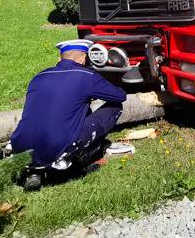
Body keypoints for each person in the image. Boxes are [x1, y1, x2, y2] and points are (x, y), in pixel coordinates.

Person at [9, 39, 127, 190]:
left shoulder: (38, 76)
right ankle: (80, 162)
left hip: (21, 146)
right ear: (83, 58)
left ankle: (34, 170)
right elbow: (119, 96)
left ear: (60, 58)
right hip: (56, 146)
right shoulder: (86, 75)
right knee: (114, 107)